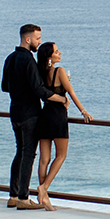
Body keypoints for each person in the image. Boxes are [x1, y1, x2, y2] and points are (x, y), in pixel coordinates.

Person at [33, 42, 94, 210]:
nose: (60, 54)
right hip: (58, 116)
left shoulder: (40, 72)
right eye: (56, 52)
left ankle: (44, 198)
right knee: (61, 155)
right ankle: (43, 188)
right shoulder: (59, 72)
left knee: (44, 159)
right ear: (49, 56)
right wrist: (84, 111)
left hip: (44, 115)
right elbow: (71, 93)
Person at [1, 23, 55, 210]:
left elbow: (4, 87)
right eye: (37, 38)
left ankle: (13, 195)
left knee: (20, 152)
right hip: (30, 113)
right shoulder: (28, 60)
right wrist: (59, 98)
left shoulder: (10, 58)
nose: (39, 42)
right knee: (29, 154)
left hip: (14, 111)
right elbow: (39, 89)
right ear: (27, 39)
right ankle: (24, 197)